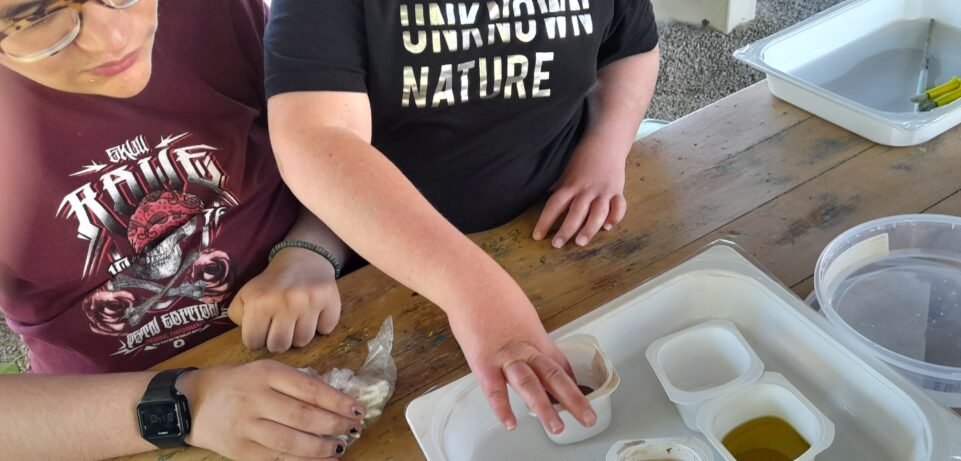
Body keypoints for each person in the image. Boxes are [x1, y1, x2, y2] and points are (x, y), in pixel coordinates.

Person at [263, 0, 660, 436]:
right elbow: (315, 137)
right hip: (398, 262)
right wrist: (475, 293)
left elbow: (630, 49)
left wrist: (606, 147)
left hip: (562, 227)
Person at [0, 1, 368, 459]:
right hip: (112, 423)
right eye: (37, 16)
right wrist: (185, 404)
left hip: (321, 333)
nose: (112, 38)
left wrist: (311, 250)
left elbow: (344, 146)